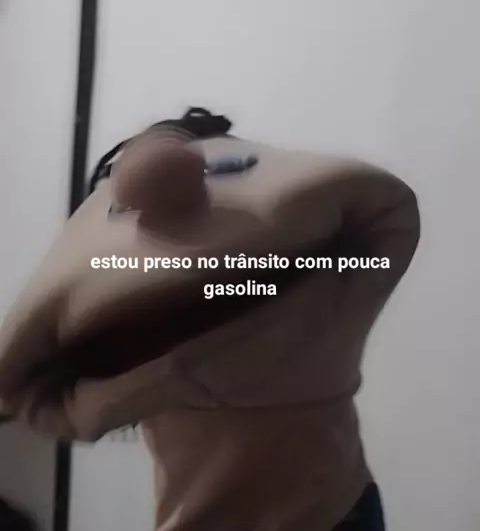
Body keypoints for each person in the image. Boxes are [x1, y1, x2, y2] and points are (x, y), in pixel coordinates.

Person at [0, 108, 420, 531]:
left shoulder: (323, 286)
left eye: (227, 171)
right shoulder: (141, 334)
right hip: (298, 507)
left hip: (334, 511)